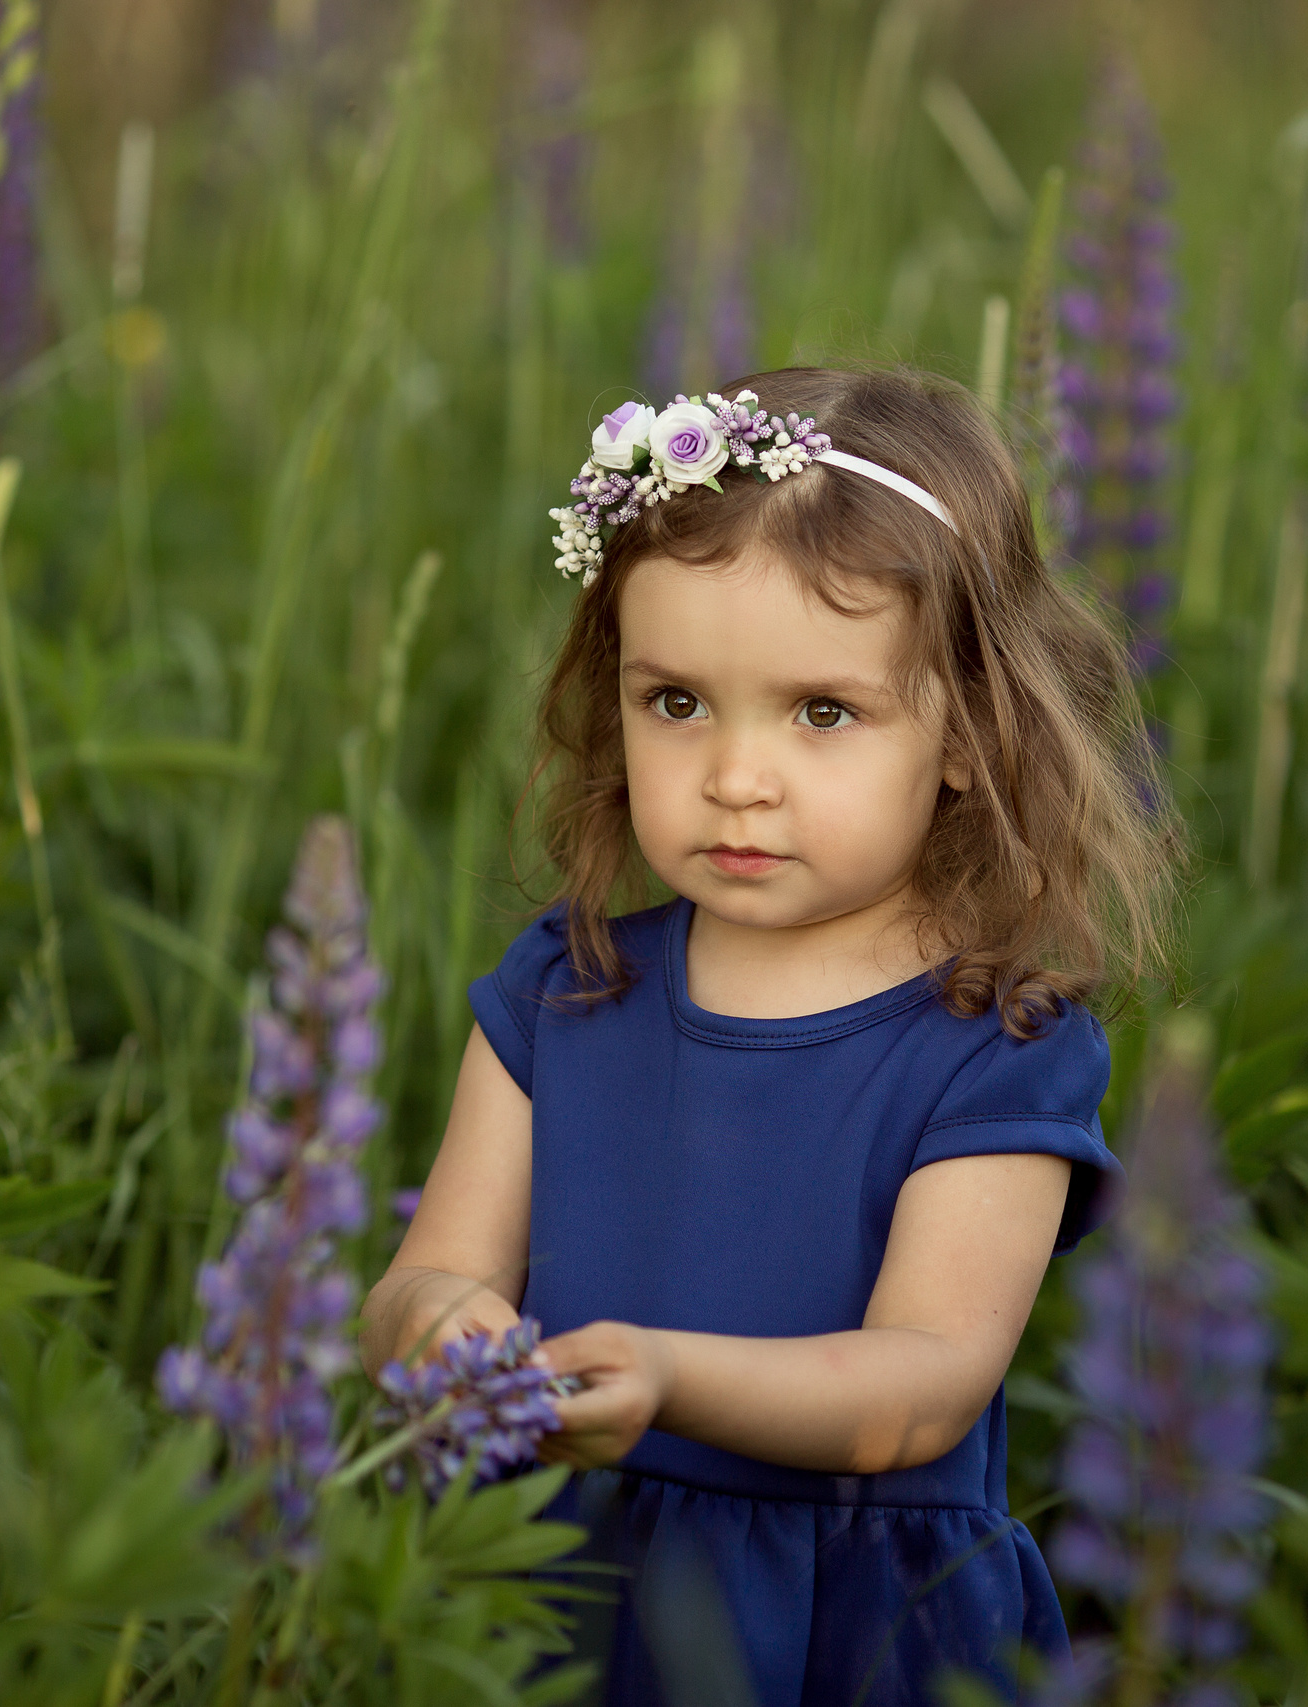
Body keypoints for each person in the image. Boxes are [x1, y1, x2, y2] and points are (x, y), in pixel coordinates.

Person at [359, 366, 1182, 1705]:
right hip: (547, 1581)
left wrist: (668, 1379)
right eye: (675, 702)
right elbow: (422, 1278)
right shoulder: (563, 991)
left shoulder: (996, 1049)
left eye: (822, 713)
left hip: (844, 1627)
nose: (736, 778)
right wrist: (446, 1331)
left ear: (967, 732)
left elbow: (922, 1389)